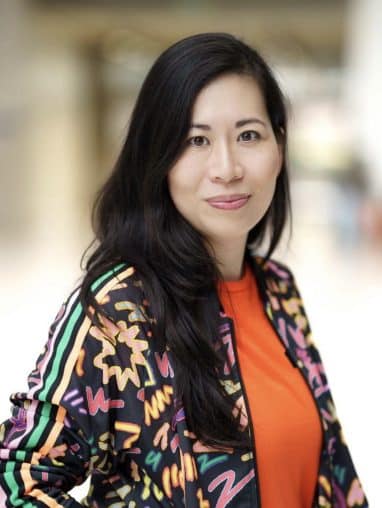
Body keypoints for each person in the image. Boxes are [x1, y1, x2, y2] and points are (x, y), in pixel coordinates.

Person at [0, 32, 367, 508]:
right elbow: (23, 476)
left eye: (248, 135)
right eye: (196, 140)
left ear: (280, 146)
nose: (227, 167)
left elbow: (332, 472)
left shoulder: (279, 292)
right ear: (159, 159)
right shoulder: (116, 312)